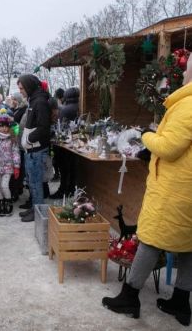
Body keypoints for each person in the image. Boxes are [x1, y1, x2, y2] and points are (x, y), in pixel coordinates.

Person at [102, 54, 192, 327]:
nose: (184, 73)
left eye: (187, 69)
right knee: (188, 246)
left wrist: (146, 135)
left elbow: (169, 147)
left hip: (174, 191)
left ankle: (130, 297)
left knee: (150, 240)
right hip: (186, 187)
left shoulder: (188, 105)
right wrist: (149, 153)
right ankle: (180, 302)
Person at [18, 75, 51, 223]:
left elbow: (44, 127)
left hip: (36, 150)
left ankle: (39, 212)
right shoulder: (34, 100)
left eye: (22, 88)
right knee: (31, 182)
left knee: (36, 183)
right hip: (31, 150)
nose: (20, 92)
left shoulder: (40, 102)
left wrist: (29, 139)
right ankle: (34, 208)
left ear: (29, 86)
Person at [50, 87, 79, 199]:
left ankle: (63, 191)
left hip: (64, 145)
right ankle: (71, 189)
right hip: (75, 144)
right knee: (72, 168)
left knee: (64, 169)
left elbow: (60, 127)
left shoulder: (65, 109)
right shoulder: (78, 107)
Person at [0, 109, 20, 216]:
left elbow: (16, 152)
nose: (4, 128)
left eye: (6, 126)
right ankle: (1, 203)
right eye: (1, 126)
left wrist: (16, 166)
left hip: (8, 166)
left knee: (4, 186)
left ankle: (8, 201)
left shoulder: (12, 138)